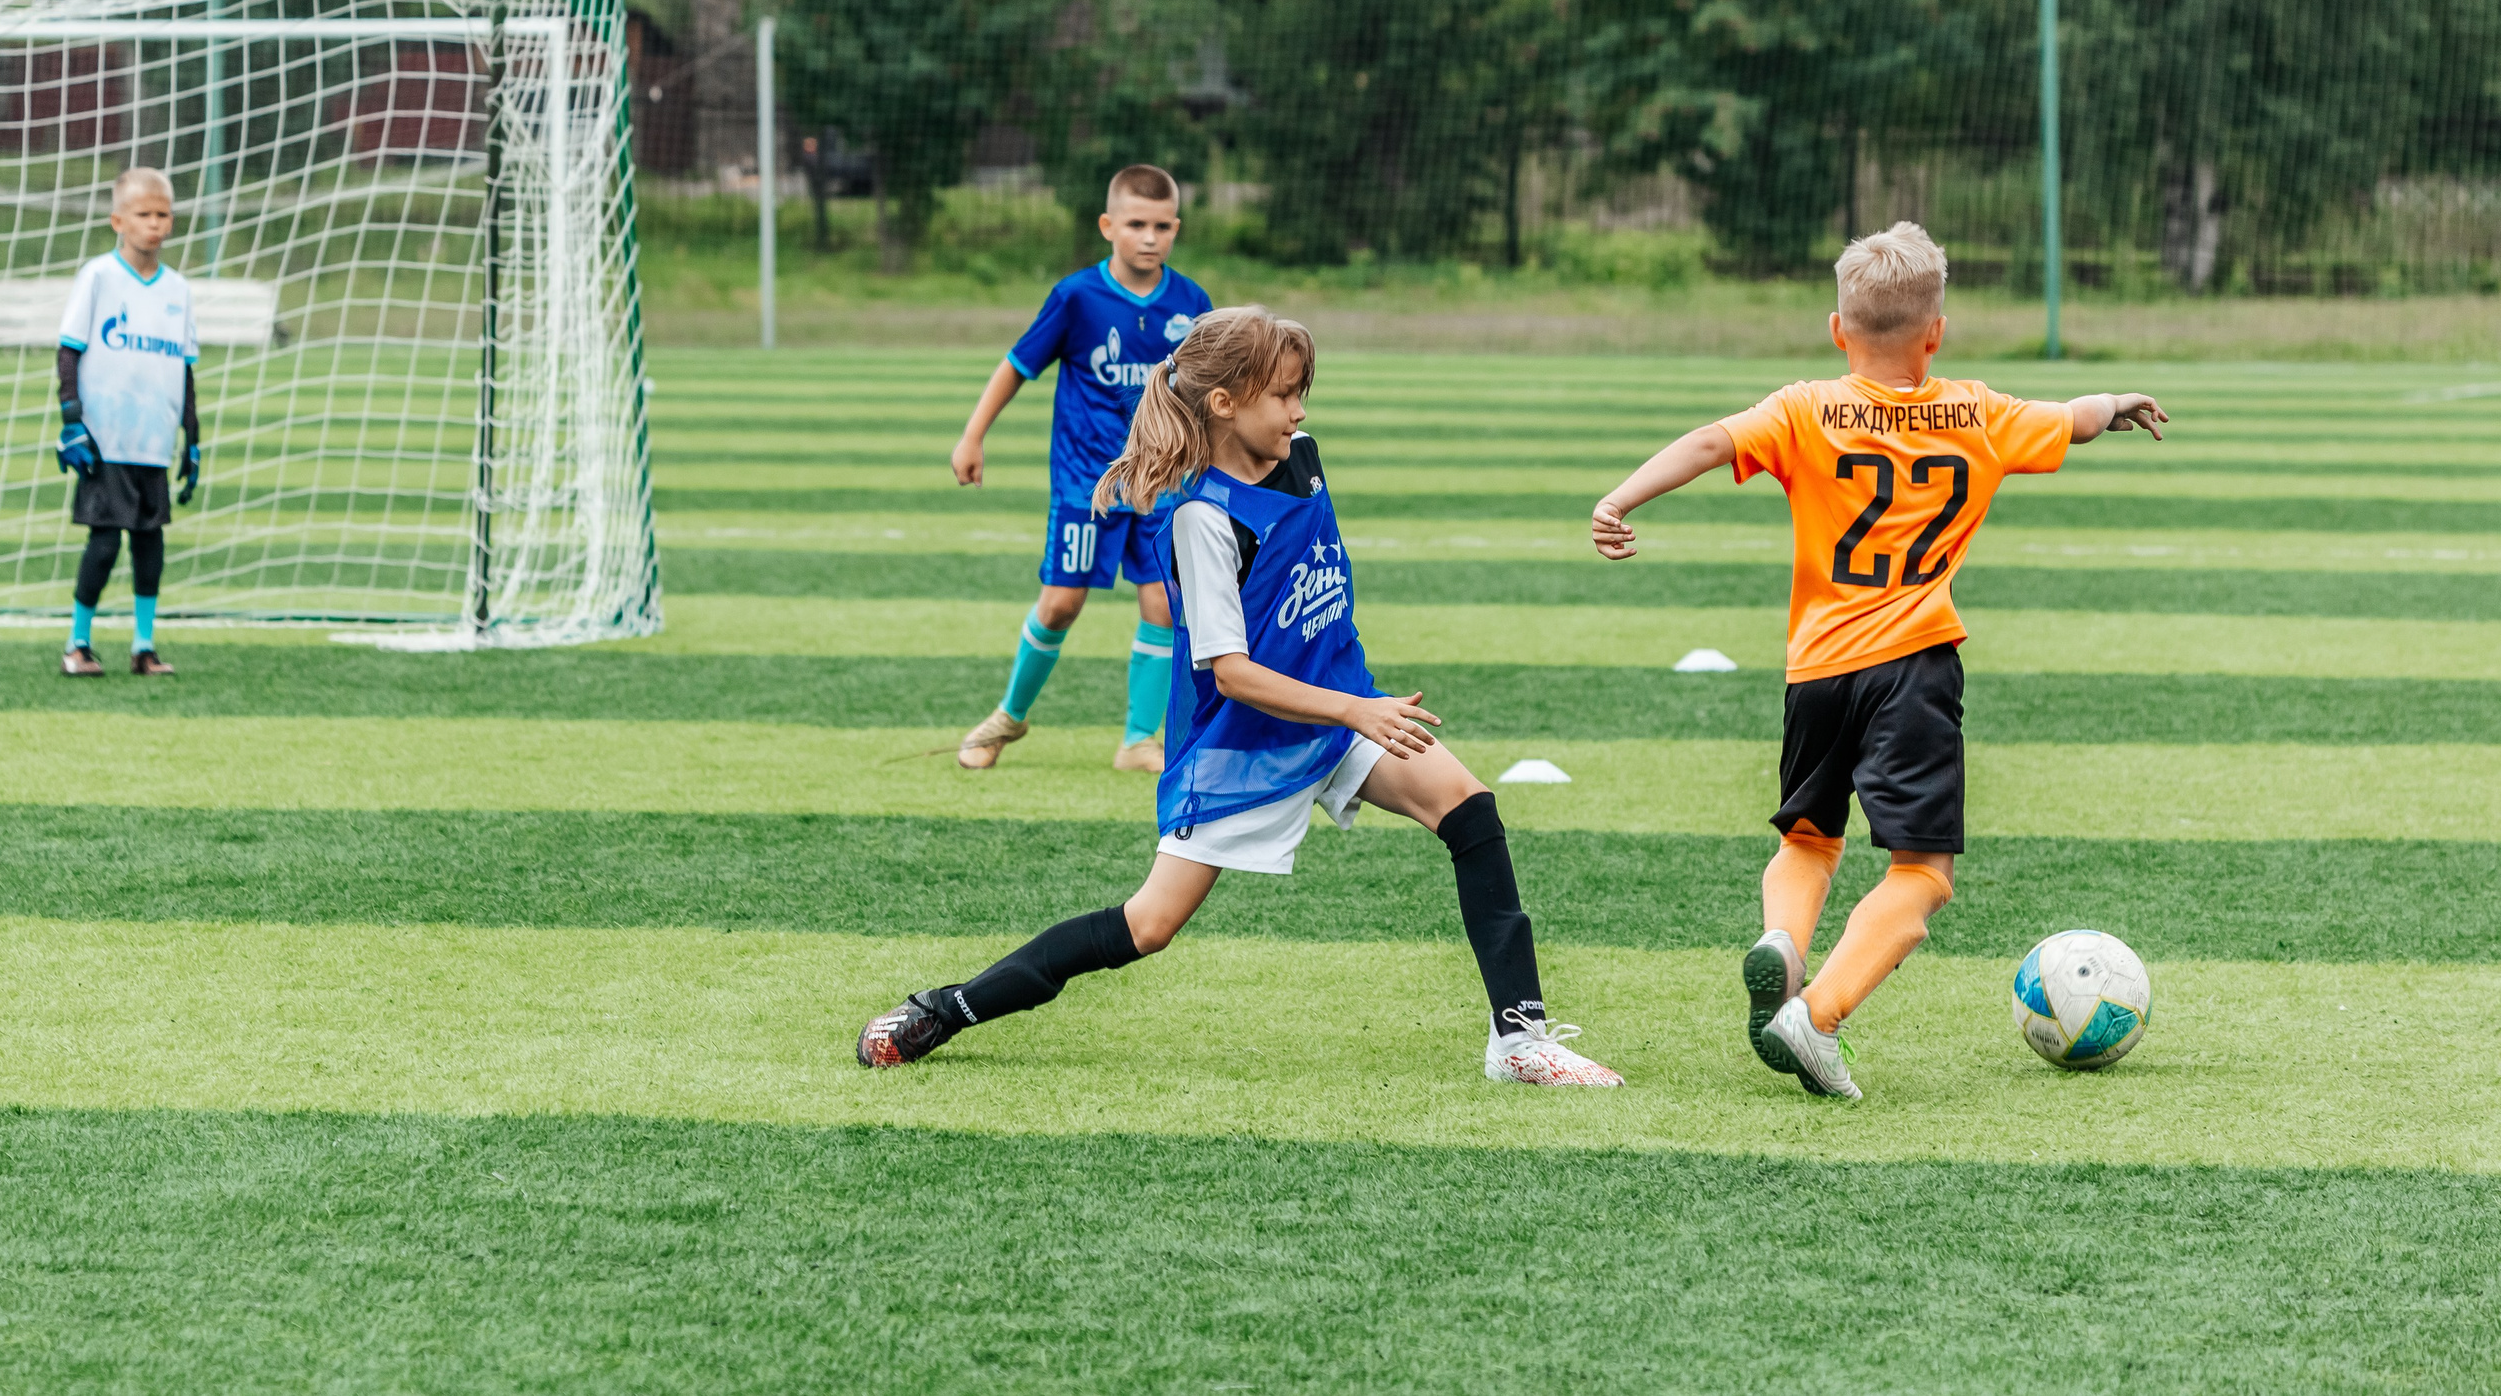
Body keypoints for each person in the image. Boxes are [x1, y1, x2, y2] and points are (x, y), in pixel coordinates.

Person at [862, 306, 1623, 1086]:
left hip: (1333, 710)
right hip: (1243, 744)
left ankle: (1520, 1042)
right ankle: (948, 1006)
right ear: (1224, 403)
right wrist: (1355, 709)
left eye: (1302, 393)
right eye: (1283, 395)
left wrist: (1350, 700)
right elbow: (1230, 672)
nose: (1299, 412)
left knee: (1469, 811)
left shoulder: (1303, 457)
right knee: (1148, 925)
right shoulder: (1201, 517)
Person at [1590, 223, 2166, 1101]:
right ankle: (1816, 1017)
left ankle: (1783, 941)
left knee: (1808, 839)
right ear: (1936, 332)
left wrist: (1621, 496)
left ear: (1836, 330)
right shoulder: (1976, 411)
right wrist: (2116, 399)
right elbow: (2076, 422)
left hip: (1817, 669)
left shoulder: (1805, 406)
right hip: (1916, 666)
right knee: (1921, 874)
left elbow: (1711, 441)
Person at [951, 164, 1212, 772]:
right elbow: (1017, 364)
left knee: (1163, 606)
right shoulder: (1077, 296)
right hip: (1084, 482)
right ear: (1108, 226)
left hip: (1160, 483)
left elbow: (1208, 387)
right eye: (1137, 225)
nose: (1150, 238)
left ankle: (1139, 741)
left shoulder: (1191, 302)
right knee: (1061, 603)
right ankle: (1008, 717)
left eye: (1163, 226)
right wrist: (973, 435)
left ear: (1176, 228)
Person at [56, 168, 202, 678]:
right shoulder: (99, 277)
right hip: (104, 439)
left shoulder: (178, 289)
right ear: (118, 220)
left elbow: (183, 366)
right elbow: (69, 350)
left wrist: (193, 439)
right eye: (144, 215)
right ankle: (78, 643)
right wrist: (71, 418)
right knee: (103, 541)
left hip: (153, 443)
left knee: (150, 543)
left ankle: (144, 646)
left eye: (163, 215)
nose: (155, 224)